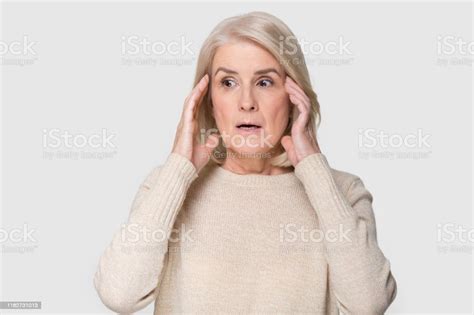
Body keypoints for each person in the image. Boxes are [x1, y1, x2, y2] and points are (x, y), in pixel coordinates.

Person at [93, 11, 397, 314]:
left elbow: (368, 303)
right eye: (228, 83)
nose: (247, 101)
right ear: (208, 99)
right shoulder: (168, 187)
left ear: (294, 95)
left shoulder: (342, 192)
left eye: (265, 82)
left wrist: (314, 169)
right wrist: (178, 168)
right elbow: (119, 294)